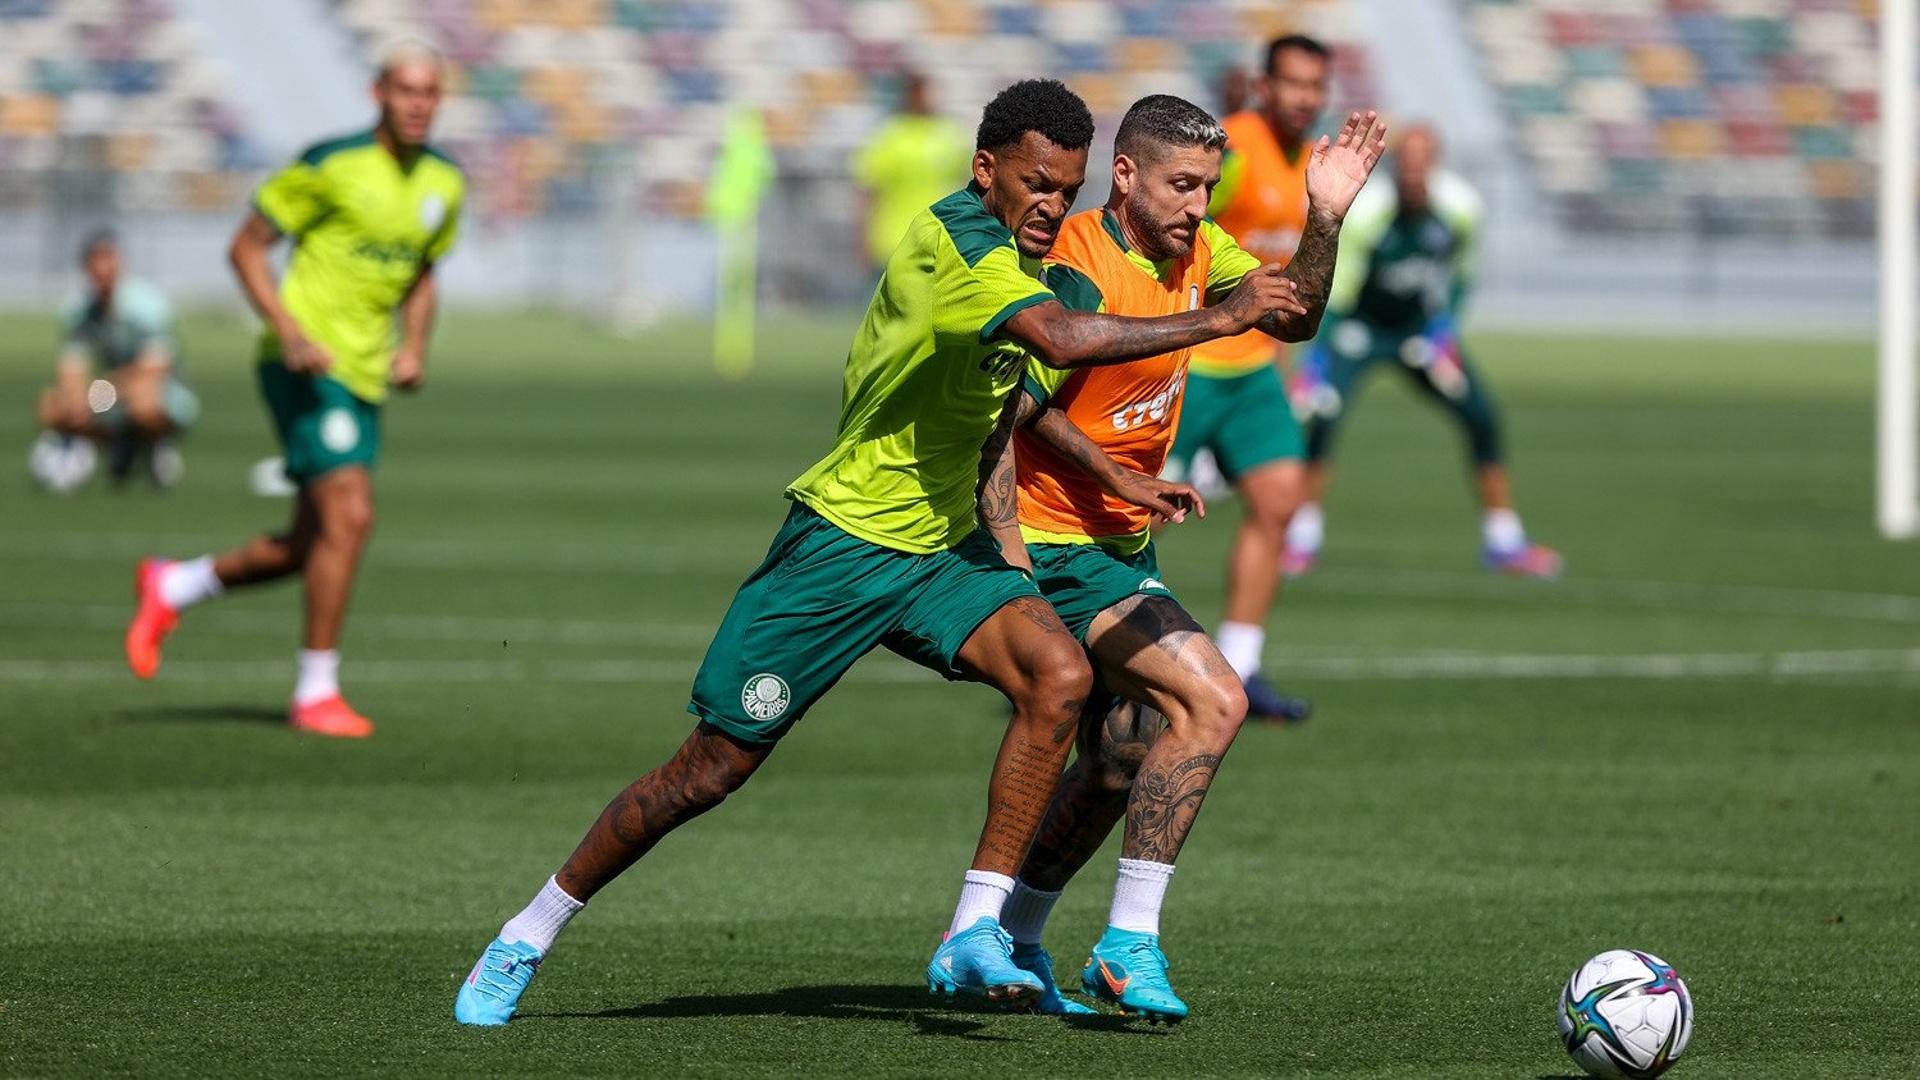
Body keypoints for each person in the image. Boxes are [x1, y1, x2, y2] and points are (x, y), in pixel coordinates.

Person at [451, 78, 1310, 1027]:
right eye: (1033, 184)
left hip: (942, 550)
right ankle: (528, 931)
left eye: (1063, 190)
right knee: (710, 769)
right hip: (844, 544)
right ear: (985, 171)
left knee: (1059, 678)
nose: (1048, 206)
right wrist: (1220, 321)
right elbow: (1061, 345)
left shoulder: (1039, 260)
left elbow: (1017, 405)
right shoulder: (958, 247)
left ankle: (977, 931)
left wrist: (1112, 477)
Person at [990, 96, 1384, 1022]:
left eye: (1209, 187)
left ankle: (1012, 936)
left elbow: (1294, 317)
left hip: (1120, 547)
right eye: (1182, 186)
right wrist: (1117, 479)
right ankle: (1128, 946)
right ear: (1124, 175)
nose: (1199, 206)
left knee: (1120, 759)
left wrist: (1324, 218)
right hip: (1052, 543)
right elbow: (1016, 404)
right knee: (1214, 698)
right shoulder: (1075, 262)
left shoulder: (1203, 253)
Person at [121, 43, 465, 737]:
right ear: (379, 94)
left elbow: (423, 273)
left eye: (430, 91)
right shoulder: (330, 164)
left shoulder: (444, 185)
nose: (418, 103)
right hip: (303, 367)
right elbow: (245, 247)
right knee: (352, 518)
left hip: (365, 375)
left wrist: (416, 347)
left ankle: (175, 584)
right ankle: (315, 691)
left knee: (312, 543)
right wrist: (291, 329)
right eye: (406, 89)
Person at [1285, 125, 1561, 577]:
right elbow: (1341, 286)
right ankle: (1301, 538)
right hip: (1359, 327)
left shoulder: (1460, 207)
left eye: (1422, 160)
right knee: (1323, 418)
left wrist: (1443, 330)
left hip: (1416, 329)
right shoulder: (1369, 211)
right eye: (1406, 161)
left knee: (1481, 415)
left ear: (1434, 162)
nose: (1413, 170)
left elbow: (1461, 275)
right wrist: (1317, 357)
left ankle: (1503, 541)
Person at [1162, 34, 1338, 722]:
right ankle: (1080, 646)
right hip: (1193, 362)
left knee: (1278, 501)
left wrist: (1286, 361)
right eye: (1293, 83)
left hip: (1255, 368)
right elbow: (1174, 234)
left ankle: (1241, 664)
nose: (1306, 97)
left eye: (1316, 86)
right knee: (1140, 515)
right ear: (1263, 86)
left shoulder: (1316, 164)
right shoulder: (1230, 151)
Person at [32, 229, 197, 490]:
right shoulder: (77, 310)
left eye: (108, 258)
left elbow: (152, 370)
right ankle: (109, 448)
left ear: (121, 262)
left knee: (144, 400)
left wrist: (94, 395)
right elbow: (71, 368)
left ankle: (154, 444)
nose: (102, 267)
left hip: (161, 392)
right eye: (95, 260)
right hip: (108, 393)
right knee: (52, 405)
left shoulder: (148, 305)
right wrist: (77, 399)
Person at [852, 71, 971, 272]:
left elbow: (971, 182)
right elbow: (869, 190)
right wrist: (863, 236)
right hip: (895, 239)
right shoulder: (890, 135)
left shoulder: (950, 134)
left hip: (941, 238)